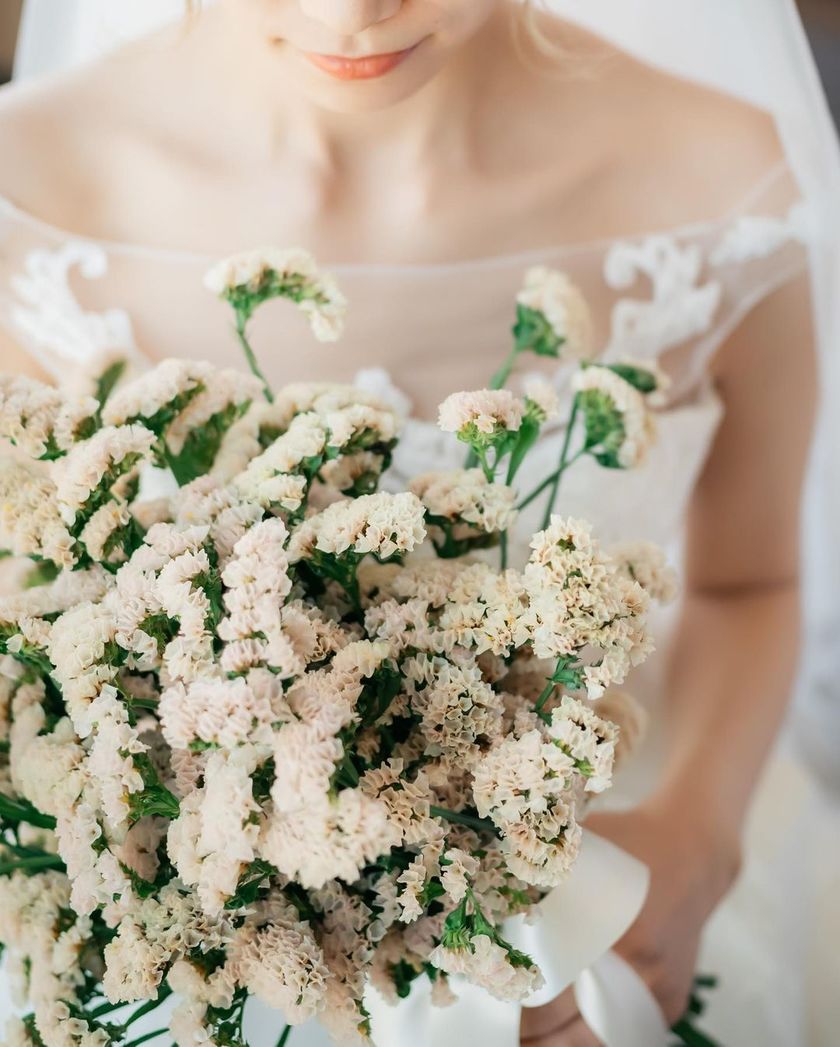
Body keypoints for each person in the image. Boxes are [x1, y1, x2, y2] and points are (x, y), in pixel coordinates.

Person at [0, 2, 825, 1044]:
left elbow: (746, 583)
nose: (351, 14)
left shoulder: (720, 174)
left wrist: (697, 843)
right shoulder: (31, 183)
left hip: (609, 908)